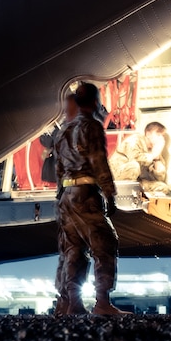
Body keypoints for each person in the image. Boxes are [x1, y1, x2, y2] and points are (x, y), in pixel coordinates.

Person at [51, 81, 122, 316]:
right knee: (104, 244)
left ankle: (72, 303)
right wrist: (110, 194)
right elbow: (98, 161)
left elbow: (59, 169)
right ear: (95, 101)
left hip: (66, 196)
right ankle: (102, 302)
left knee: (72, 249)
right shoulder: (91, 126)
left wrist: (62, 197)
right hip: (85, 193)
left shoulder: (64, 131)